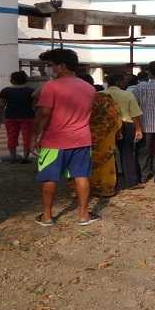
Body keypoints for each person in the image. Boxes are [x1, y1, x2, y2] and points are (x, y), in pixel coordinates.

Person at [32, 49, 98, 226]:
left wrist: (35, 136)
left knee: (49, 177)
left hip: (54, 141)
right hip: (82, 139)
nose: (49, 69)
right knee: (81, 176)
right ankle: (84, 215)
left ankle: (47, 216)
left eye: (51, 65)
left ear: (61, 66)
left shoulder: (51, 86)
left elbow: (44, 114)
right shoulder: (89, 88)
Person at [79, 75, 123, 197]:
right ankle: (105, 188)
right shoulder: (104, 98)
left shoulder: (74, 98)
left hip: (80, 134)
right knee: (105, 161)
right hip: (104, 134)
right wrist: (117, 132)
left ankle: (79, 189)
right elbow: (115, 116)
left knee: (80, 161)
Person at [105, 73, 144, 189]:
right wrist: (138, 129)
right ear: (119, 82)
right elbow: (135, 114)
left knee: (109, 155)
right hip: (126, 125)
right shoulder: (127, 95)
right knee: (127, 153)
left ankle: (112, 182)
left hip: (106, 127)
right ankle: (131, 182)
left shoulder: (100, 95)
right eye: (123, 81)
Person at [0, 71, 35, 164]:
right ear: (25, 80)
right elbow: (34, 106)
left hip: (10, 117)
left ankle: (13, 158)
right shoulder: (31, 91)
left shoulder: (5, 91)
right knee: (27, 138)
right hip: (28, 117)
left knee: (11, 137)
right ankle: (25, 158)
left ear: (12, 80)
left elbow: (1, 106)